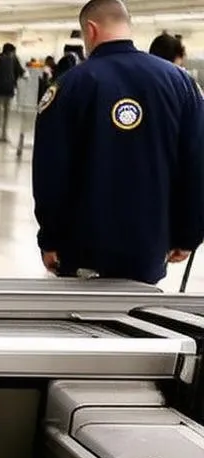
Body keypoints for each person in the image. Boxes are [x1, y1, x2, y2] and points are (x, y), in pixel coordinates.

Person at [33, 0, 204, 284]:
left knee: (84, 320)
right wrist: (188, 234)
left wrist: (50, 237)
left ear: (91, 30)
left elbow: (51, 171)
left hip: (82, 248)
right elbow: (197, 164)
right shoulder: (181, 84)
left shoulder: (69, 86)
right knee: (135, 318)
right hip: (151, 245)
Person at [0, 42, 24, 142]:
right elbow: (21, 72)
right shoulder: (14, 60)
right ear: (10, 51)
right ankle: (3, 135)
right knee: (6, 114)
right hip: (9, 90)